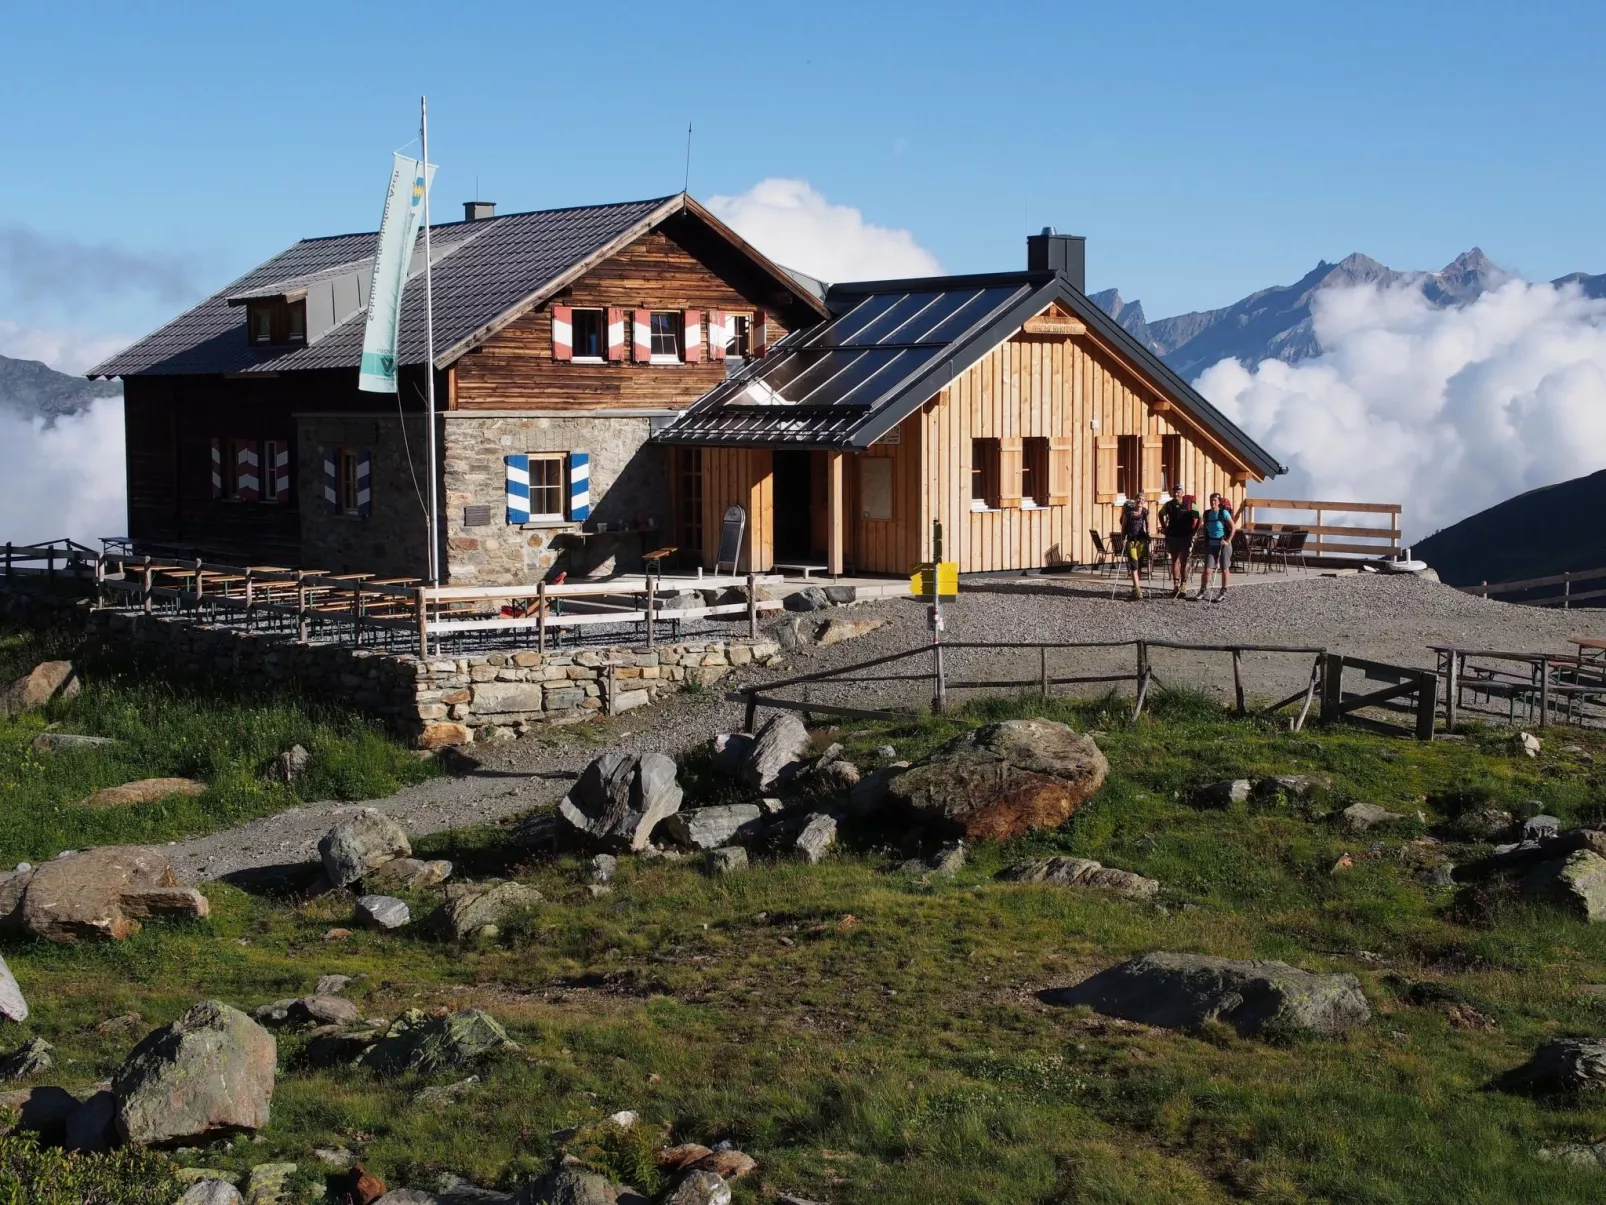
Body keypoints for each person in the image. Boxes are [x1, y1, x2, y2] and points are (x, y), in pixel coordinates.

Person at [1159, 490, 1200, 599]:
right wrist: (1164, 527)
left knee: (1184, 561)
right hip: (1173, 536)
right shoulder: (1169, 505)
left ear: (1182, 493)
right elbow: (1160, 514)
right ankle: (1176, 586)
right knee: (1174, 561)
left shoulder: (1190, 504)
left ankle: (1183, 585)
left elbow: (1198, 517)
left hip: (1185, 536)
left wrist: (1193, 531)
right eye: (1174, 492)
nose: (1176, 494)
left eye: (1178, 492)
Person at [1196, 491, 1236, 602]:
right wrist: (1205, 540)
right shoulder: (1207, 514)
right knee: (1207, 570)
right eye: (1211, 500)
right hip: (1211, 544)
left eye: (1215, 501)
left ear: (1219, 502)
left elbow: (1233, 527)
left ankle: (1223, 591)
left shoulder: (1223, 513)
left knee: (1224, 569)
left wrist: (1228, 540)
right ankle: (1202, 590)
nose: (1212, 503)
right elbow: (1205, 528)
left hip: (1224, 544)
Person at [1120, 496, 1150, 600]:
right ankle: (1137, 589)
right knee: (1134, 565)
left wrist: (1148, 535)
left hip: (1141, 540)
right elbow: (1123, 526)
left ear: (1144, 502)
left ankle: (1135, 587)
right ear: (1135, 500)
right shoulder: (1128, 513)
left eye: (1142, 499)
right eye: (1138, 498)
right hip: (1130, 540)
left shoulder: (1145, 512)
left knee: (1139, 566)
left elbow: (1148, 524)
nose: (1140, 501)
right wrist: (1123, 538)